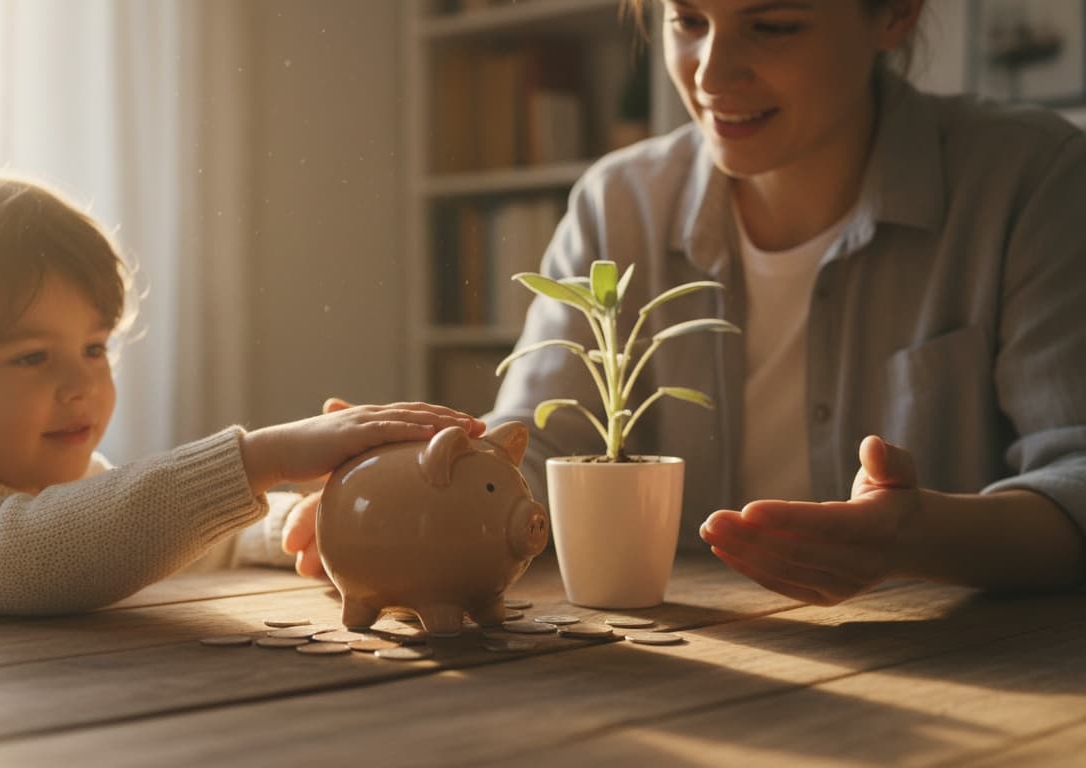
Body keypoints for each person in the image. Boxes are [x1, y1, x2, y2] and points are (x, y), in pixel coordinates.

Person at [276, 0, 1086, 604]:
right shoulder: (617, 201)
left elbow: (1077, 480)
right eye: (687, 18)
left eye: (772, 25)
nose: (710, 72)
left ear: (893, 15)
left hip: (972, 673)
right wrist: (400, 503)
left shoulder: (1029, 180)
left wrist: (919, 538)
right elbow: (532, 456)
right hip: (684, 660)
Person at [0, 170, 484, 615]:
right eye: (32, 356)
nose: (82, 383)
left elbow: (189, 542)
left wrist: (301, 525)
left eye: (95, 348)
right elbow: (30, 556)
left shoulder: (76, 494)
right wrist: (259, 458)